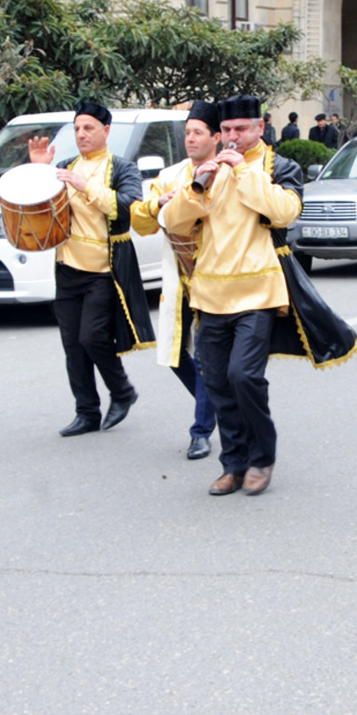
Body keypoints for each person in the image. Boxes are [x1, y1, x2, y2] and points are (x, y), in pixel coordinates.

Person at [161, 95, 357, 497]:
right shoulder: (206, 170)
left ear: (260, 128)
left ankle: (262, 457)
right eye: (226, 130)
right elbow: (174, 223)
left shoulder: (279, 167)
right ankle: (233, 464)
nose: (232, 137)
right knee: (217, 381)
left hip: (259, 292)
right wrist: (196, 189)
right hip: (209, 292)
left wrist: (243, 171)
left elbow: (284, 212)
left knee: (244, 375)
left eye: (241, 129)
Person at [28, 99, 156, 437]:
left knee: (92, 336)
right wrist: (40, 171)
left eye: (88, 128)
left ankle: (122, 391)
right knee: (73, 345)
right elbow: (39, 210)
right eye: (77, 129)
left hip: (103, 271)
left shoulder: (122, 168)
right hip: (67, 268)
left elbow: (128, 207)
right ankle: (86, 412)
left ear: (106, 131)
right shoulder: (65, 166)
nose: (81, 134)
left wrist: (87, 186)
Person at [129, 101, 219, 460]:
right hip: (178, 276)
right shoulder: (169, 175)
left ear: (216, 137)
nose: (191, 139)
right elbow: (140, 223)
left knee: (208, 357)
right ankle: (219, 403)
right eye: (188, 133)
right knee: (173, 353)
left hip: (217, 278)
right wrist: (156, 205)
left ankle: (201, 431)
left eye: (198, 132)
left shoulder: (228, 172)